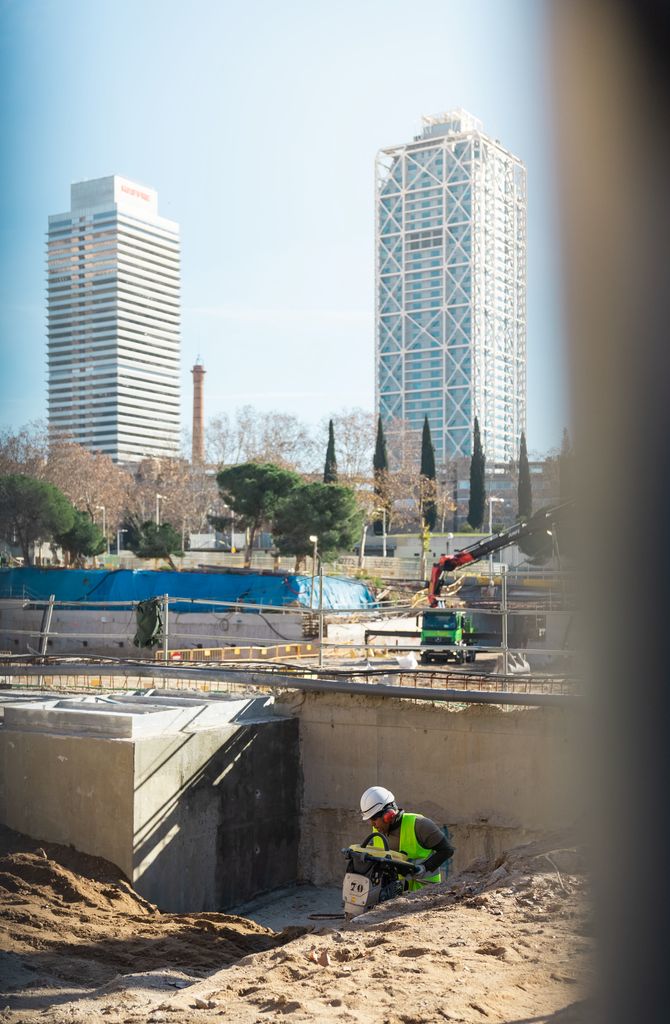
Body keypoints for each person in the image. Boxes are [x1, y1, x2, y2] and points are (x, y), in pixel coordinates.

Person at [360, 785, 454, 891]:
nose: (372, 824)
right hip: (394, 894)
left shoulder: (419, 824)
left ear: (388, 815)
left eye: (374, 819)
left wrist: (424, 867)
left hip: (424, 893)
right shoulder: (378, 830)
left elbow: (447, 850)